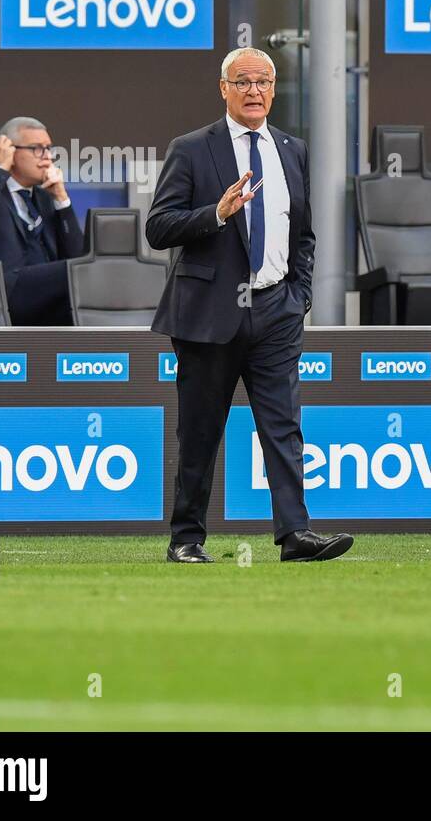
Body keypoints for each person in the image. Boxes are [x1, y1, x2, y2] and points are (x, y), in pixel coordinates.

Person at [146, 47, 352, 565]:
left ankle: (295, 536)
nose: (254, 90)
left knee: (283, 427)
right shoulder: (192, 149)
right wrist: (215, 213)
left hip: (277, 312)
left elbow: (302, 234)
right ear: (223, 89)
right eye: (243, 82)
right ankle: (186, 539)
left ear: (275, 88)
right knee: (200, 431)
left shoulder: (292, 150)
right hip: (209, 314)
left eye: (263, 81)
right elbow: (159, 227)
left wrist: (298, 296)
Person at [0, 116, 83, 325]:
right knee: (78, 271)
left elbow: (77, 255)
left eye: (49, 148)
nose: (47, 157)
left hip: (44, 296)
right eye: (37, 149)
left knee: (87, 268)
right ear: (10, 150)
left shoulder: (43, 196)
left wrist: (61, 199)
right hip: (0, 291)